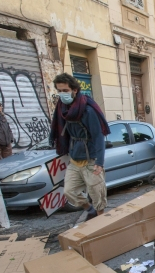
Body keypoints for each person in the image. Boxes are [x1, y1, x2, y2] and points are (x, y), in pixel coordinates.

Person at [49, 73, 110, 221]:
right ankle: (89, 209)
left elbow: (98, 136)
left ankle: (101, 222)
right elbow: (64, 133)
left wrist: (99, 163)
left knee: (97, 195)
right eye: (59, 91)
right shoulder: (63, 110)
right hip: (75, 160)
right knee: (69, 191)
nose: (62, 94)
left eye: (65, 90)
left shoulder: (87, 110)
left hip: (90, 160)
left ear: (74, 90)